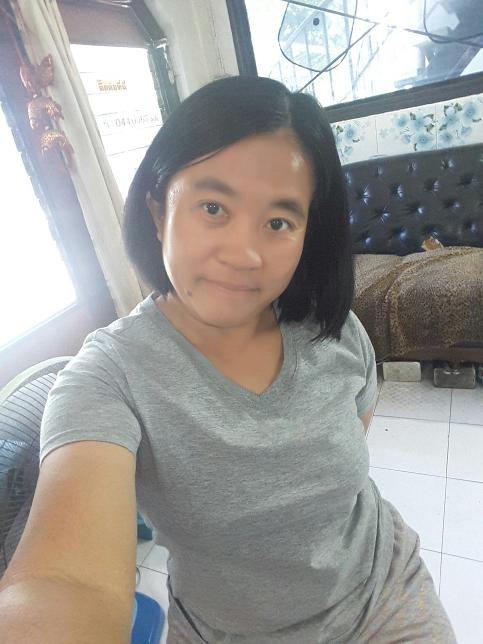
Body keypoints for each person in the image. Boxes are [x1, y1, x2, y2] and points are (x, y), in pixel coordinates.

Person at [0, 76, 456, 644]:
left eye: (278, 222)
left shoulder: (335, 332)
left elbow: (353, 452)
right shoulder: (109, 377)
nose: (243, 255)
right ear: (158, 211)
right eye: (213, 207)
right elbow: (66, 581)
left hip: (381, 597)